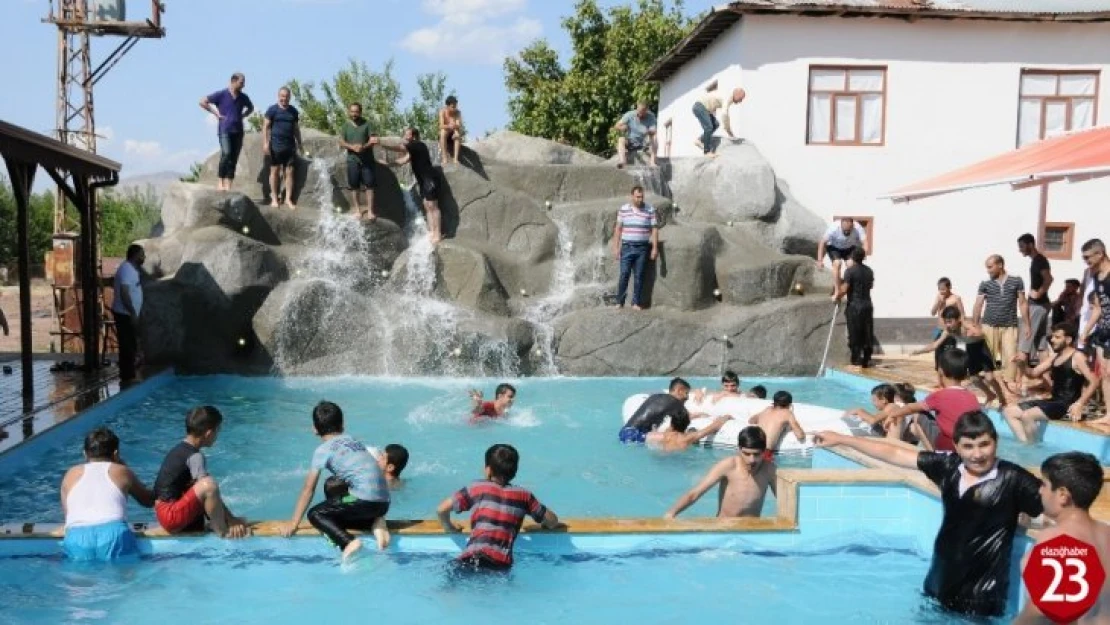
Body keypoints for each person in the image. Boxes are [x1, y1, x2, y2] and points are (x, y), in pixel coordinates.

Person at [815, 411, 1044, 618]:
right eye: (968, 446)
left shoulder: (1014, 479)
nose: (977, 454)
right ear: (956, 446)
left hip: (982, 591)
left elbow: (1057, 505)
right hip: (939, 579)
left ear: (996, 442)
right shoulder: (948, 467)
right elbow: (895, 453)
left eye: (984, 444)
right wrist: (843, 439)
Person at [279, 401, 391, 559]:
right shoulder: (353, 440)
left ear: (315, 429)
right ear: (342, 425)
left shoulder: (322, 451)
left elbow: (308, 489)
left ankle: (349, 542)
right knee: (331, 485)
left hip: (363, 501)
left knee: (316, 514)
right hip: (383, 503)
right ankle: (375, 522)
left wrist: (294, 523)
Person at [1014, 452, 1110, 625]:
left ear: (1063, 495)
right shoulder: (1106, 533)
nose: (1040, 490)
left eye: (1044, 484)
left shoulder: (1057, 539)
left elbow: (1039, 609)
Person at [437, 444, 560, 571]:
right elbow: (553, 521)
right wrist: (546, 524)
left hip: (471, 558)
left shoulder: (476, 488)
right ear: (514, 471)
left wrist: (449, 527)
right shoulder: (524, 496)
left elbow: (441, 509)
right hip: (500, 565)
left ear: (488, 470)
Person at [60, 427, 154, 561]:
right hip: (113, 535)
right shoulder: (121, 471)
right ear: (116, 454)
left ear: (85, 454)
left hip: (77, 536)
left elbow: (69, 517)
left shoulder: (70, 474)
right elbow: (148, 500)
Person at [153, 406, 249, 538]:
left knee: (204, 485)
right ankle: (222, 533)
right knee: (209, 485)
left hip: (164, 512)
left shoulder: (178, 450)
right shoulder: (195, 456)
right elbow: (209, 491)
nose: (217, 436)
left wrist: (230, 517)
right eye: (218, 431)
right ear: (209, 433)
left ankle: (219, 523)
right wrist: (231, 520)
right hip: (170, 515)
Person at [1002, 322, 1098, 443]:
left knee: (1028, 415)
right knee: (1008, 411)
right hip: (1053, 401)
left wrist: (1080, 404)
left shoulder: (1077, 356)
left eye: (1057, 337)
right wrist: (1022, 365)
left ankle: (1032, 448)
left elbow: (1094, 381)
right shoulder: (1055, 357)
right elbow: (1033, 373)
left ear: (1068, 340)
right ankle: (1026, 444)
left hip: (1067, 404)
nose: (1052, 340)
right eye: (1052, 337)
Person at [663, 426, 776, 519]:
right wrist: (671, 514)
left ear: (764, 452)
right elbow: (695, 493)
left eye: (757, 454)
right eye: (747, 454)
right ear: (739, 449)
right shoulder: (728, 466)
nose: (752, 460)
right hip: (724, 529)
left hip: (751, 531)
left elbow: (785, 499)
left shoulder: (769, 470)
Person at [882, 348, 982, 452]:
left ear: (940, 371)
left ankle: (934, 456)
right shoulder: (972, 396)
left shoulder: (940, 396)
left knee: (918, 415)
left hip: (949, 447)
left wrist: (893, 414)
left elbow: (911, 407)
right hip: (969, 446)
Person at [912, 305, 1007, 406]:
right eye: (946, 322)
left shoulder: (965, 325)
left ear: (958, 320)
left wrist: (974, 333)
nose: (948, 325)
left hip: (982, 348)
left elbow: (981, 333)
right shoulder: (948, 331)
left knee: (990, 378)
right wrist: (919, 351)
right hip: (970, 349)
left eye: (950, 321)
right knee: (974, 379)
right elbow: (935, 345)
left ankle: (1002, 398)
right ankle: (990, 394)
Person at [974, 254, 1029, 384]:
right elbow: (978, 304)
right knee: (988, 356)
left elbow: (1022, 303)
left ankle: (1009, 382)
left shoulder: (1016, 281)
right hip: (989, 325)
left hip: (1010, 325)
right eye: (987, 267)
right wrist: (975, 325)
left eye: (990, 267)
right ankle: (990, 384)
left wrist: (1027, 325)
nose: (988, 270)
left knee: (1011, 356)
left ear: (1000, 265)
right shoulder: (985, 283)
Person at [382, 127, 442, 244]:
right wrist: (388, 164)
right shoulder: (413, 149)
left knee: (433, 206)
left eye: (407, 135)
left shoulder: (418, 145)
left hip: (429, 179)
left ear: (414, 136)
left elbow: (399, 148)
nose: (405, 137)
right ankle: (431, 232)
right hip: (423, 181)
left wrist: (381, 144)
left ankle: (438, 233)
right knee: (426, 205)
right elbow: (402, 161)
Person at [199, 73, 254, 191]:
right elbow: (203, 101)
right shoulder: (222, 94)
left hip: (238, 130)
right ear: (233, 81)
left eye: (243, 82)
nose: (243, 85)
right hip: (225, 129)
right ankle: (220, 180)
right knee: (227, 153)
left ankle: (229, 183)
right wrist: (216, 113)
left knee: (234, 157)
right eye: (241, 82)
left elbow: (251, 108)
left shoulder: (243, 97)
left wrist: (243, 115)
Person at [611, 185, 659, 310]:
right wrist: (616, 248)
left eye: (642, 197)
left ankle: (635, 302)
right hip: (627, 246)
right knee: (624, 274)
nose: (640, 199)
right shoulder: (624, 209)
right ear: (632, 196)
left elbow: (654, 229)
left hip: (642, 248)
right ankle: (619, 301)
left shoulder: (650, 210)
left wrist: (654, 248)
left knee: (639, 276)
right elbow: (618, 229)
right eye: (637, 197)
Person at [620, 377, 708, 444]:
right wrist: (702, 415)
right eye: (686, 393)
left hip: (625, 432)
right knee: (681, 438)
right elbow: (686, 417)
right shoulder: (674, 402)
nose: (687, 397)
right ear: (679, 391)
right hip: (633, 435)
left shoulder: (657, 397)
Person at [1081, 238, 1110, 426]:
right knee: (1106, 374)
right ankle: (1109, 414)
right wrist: (1085, 331)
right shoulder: (1096, 275)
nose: (1086, 262)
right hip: (1104, 331)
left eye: (1087, 257)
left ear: (1100, 254)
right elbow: (1098, 308)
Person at [1017, 234, 1054, 372]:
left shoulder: (1040, 260)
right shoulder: (1037, 261)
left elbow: (1049, 279)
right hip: (1042, 306)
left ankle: (1020, 381)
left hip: (1037, 306)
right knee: (1041, 343)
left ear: (1030, 244)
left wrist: (1038, 293)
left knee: (1025, 341)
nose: (1020, 249)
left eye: (1022, 246)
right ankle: (1047, 379)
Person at [262, 87, 303, 210]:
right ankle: (274, 198)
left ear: (289, 97)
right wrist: (265, 143)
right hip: (275, 146)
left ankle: (288, 199)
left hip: (289, 146)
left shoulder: (293, 111)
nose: (284, 98)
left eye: (286, 96)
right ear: (278, 96)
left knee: (289, 172)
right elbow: (265, 127)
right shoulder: (272, 110)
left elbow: (296, 128)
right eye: (282, 96)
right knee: (275, 171)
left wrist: (300, 143)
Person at [339, 102, 380, 222]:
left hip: (367, 160)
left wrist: (363, 146)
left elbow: (373, 140)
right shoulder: (345, 125)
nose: (354, 114)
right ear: (349, 112)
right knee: (354, 186)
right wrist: (352, 147)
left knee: (370, 185)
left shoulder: (367, 124)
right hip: (352, 160)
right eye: (352, 111)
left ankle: (370, 210)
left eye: (356, 112)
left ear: (360, 112)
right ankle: (357, 210)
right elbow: (341, 142)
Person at [111, 244, 144, 384]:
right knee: (127, 344)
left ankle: (130, 373)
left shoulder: (131, 269)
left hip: (128, 312)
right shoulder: (126, 270)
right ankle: (127, 376)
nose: (144, 258)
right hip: (124, 313)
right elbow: (124, 293)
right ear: (135, 255)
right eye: (142, 255)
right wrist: (132, 312)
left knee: (131, 342)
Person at [816, 217, 868, 300]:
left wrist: (863, 254)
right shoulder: (833, 228)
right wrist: (819, 260)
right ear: (841, 226)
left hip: (849, 248)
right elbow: (822, 243)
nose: (846, 233)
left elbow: (865, 242)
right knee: (837, 263)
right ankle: (837, 290)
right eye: (845, 231)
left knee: (851, 265)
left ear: (852, 226)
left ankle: (848, 288)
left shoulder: (858, 228)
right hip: (834, 247)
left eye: (848, 231)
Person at [839, 247, 875, 366]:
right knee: (867, 330)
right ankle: (867, 356)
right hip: (867, 305)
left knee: (854, 331)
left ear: (853, 257)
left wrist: (837, 294)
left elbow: (845, 289)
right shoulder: (869, 271)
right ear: (863, 257)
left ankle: (856, 358)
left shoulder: (850, 271)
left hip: (855, 305)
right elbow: (871, 286)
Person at [691, 85, 745, 157]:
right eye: (740, 99)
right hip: (700, 107)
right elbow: (725, 115)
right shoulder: (727, 98)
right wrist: (729, 131)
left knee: (715, 124)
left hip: (706, 109)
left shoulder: (729, 97)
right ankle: (707, 152)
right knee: (709, 127)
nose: (740, 101)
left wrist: (713, 111)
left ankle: (699, 140)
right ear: (736, 94)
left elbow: (714, 101)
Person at [645, 412, 732, 452]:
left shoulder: (663, 434)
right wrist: (726, 417)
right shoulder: (687, 438)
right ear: (687, 424)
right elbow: (713, 427)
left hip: (661, 458)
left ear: (671, 423)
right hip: (678, 461)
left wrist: (695, 415)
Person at [614, 102, 657, 168]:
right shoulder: (630, 114)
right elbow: (616, 125)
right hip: (631, 142)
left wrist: (648, 131)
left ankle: (652, 162)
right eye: (638, 111)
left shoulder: (651, 116)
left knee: (654, 138)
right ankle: (622, 161)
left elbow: (654, 131)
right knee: (621, 139)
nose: (638, 114)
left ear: (646, 111)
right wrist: (622, 127)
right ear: (637, 108)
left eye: (641, 113)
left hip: (644, 143)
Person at [438, 96, 464, 166]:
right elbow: (441, 125)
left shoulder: (458, 112)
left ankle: (455, 159)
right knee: (443, 132)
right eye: (453, 106)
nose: (454, 108)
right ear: (447, 106)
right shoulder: (442, 111)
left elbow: (458, 125)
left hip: (454, 133)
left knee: (457, 133)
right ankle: (444, 158)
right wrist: (449, 125)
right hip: (446, 133)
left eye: (455, 106)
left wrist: (454, 125)